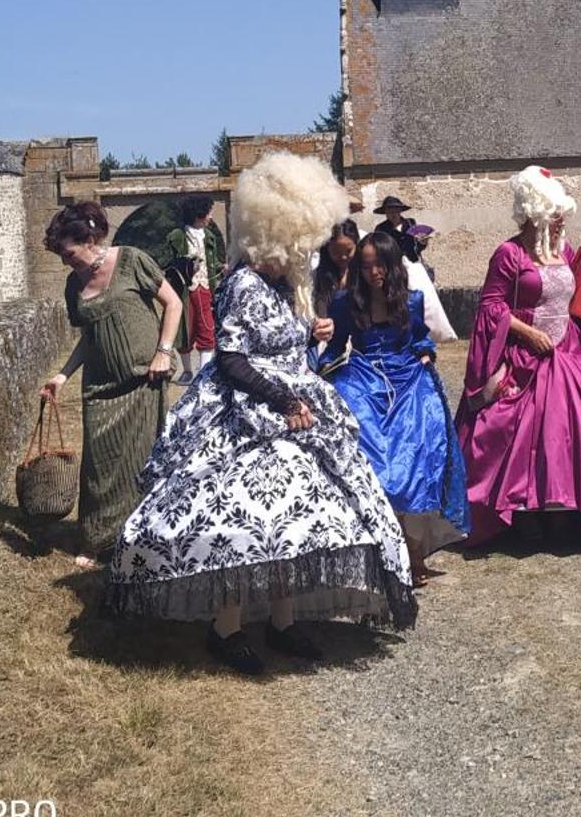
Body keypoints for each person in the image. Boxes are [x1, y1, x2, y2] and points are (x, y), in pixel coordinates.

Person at [104, 153, 416, 675]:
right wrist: (285, 400)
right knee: (245, 520)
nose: (308, 253)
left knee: (294, 520)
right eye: (303, 241)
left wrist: (311, 335)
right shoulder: (244, 284)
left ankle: (282, 620)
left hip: (297, 409)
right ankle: (225, 629)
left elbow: (289, 347)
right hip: (248, 412)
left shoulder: (286, 286)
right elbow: (230, 358)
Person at [457, 166, 581, 545]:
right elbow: (490, 308)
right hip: (525, 355)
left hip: (569, 350)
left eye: (562, 217)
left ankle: (572, 512)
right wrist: (526, 332)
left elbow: (574, 300)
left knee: (580, 430)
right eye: (554, 217)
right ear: (536, 215)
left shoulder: (564, 251)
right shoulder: (509, 254)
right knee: (522, 433)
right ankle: (524, 513)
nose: (561, 224)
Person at [38, 202, 182, 569]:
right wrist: (62, 375)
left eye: (68, 252)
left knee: (140, 462)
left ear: (88, 238)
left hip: (144, 380)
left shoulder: (132, 260)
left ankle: (139, 534)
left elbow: (173, 303)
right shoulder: (74, 284)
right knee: (99, 468)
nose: (65, 262)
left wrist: (163, 353)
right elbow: (90, 336)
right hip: (100, 387)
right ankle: (96, 537)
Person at [318, 229, 470, 574]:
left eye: (380, 265)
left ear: (391, 265)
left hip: (406, 377)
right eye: (367, 266)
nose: (374, 273)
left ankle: (412, 549)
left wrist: (426, 355)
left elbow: (419, 339)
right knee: (372, 460)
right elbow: (336, 343)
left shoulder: (412, 300)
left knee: (416, 459)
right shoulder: (345, 301)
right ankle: (382, 548)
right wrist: (318, 368)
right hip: (361, 377)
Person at [160, 195, 226, 382]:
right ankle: (188, 370)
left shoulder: (209, 237)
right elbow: (165, 263)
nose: (211, 217)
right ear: (199, 214)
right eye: (209, 212)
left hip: (205, 289)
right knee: (185, 330)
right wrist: (185, 265)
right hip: (183, 292)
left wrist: (221, 267)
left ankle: (204, 372)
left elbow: (212, 262)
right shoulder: (176, 237)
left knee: (206, 327)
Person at [312, 218, 359, 317]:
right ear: (326, 249)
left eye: (348, 251)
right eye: (336, 252)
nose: (343, 257)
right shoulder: (317, 276)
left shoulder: (365, 271)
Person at [372, 195, 422, 263]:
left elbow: (417, 246)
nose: (393, 214)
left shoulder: (410, 223)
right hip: (394, 265)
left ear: (400, 210)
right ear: (385, 212)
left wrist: (422, 243)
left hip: (413, 263)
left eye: (396, 210)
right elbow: (379, 250)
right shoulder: (381, 229)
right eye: (389, 211)